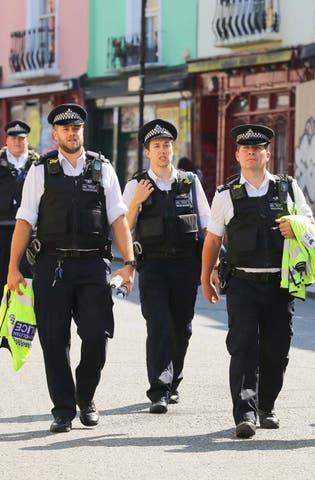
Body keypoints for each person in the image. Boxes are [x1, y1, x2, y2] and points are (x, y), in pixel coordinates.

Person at [6, 103, 137, 433]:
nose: (71, 133)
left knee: (97, 334)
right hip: (52, 266)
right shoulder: (41, 170)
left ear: (83, 131)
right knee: (53, 339)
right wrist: (13, 268)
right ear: (55, 134)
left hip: (94, 265)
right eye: (65, 129)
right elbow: (24, 220)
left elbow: (118, 218)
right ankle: (63, 409)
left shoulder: (102, 168)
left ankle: (86, 395)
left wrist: (130, 264)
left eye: (76, 128)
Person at [200, 124, 314, 439]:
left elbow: (309, 224)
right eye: (246, 149)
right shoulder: (225, 195)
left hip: (281, 283)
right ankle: (245, 413)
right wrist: (205, 277)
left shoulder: (288, 189)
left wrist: (297, 229)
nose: (252, 153)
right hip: (242, 284)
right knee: (244, 347)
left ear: (267, 154)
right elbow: (212, 240)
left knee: (277, 350)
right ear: (237, 155)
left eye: (258, 148)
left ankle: (266, 406)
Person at [122, 119, 210, 414]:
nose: (163, 151)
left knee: (181, 328)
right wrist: (136, 201)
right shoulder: (136, 184)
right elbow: (122, 227)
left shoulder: (190, 182)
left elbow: (207, 227)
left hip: (186, 265)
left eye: (167, 145)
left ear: (173, 149)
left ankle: (173, 383)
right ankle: (159, 389)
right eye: (157, 146)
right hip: (153, 266)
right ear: (147, 152)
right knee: (158, 325)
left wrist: (211, 267)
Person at [0, 121, 36, 329]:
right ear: (6, 140)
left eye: (21, 138)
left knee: (28, 272)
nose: (17, 142)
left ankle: (23, 314)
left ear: (27, 141)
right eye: (13, 137)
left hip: (29, 228)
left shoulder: (36, 162)